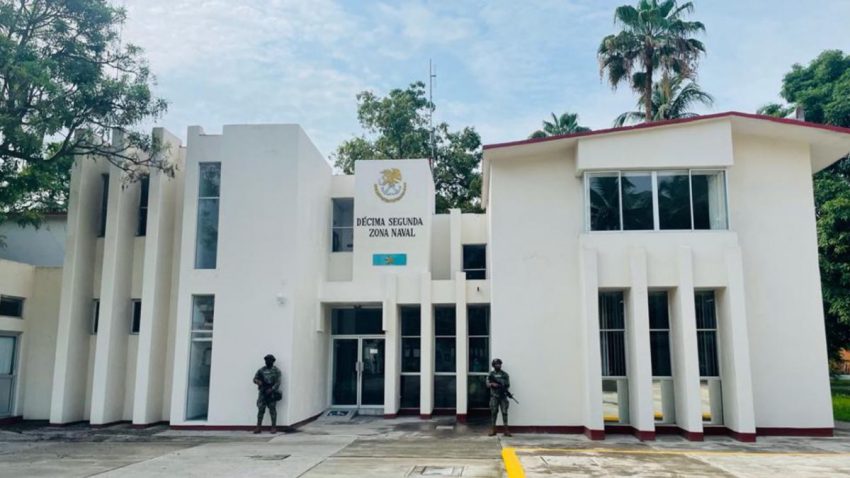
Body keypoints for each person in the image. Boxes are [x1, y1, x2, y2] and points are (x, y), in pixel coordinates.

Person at [252, 354, 282, 433]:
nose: (267, 361)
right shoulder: (261, 370)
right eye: (266, 360)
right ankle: (258, 427)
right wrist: (258, 381)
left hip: (271, 393)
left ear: (273, 361)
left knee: (272, 410)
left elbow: (278, 382)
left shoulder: (276, 371)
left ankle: (273, 427)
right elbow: (254, 379)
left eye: (269, 360)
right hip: (262, 393)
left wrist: (272, 389)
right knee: (260, 409)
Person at [487, 358, 512, 437]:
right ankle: (493, 429)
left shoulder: (505, 374)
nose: (498, 365)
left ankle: (506, 430)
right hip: (494, 396)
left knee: (504, 412)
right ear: (493, 365)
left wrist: (502, 384)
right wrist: (492, 384)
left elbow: (508, 384)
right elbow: (487, 384)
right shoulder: (491, 374)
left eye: (499, 364)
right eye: (496, 364)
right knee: (494, 412)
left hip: (503, 396)